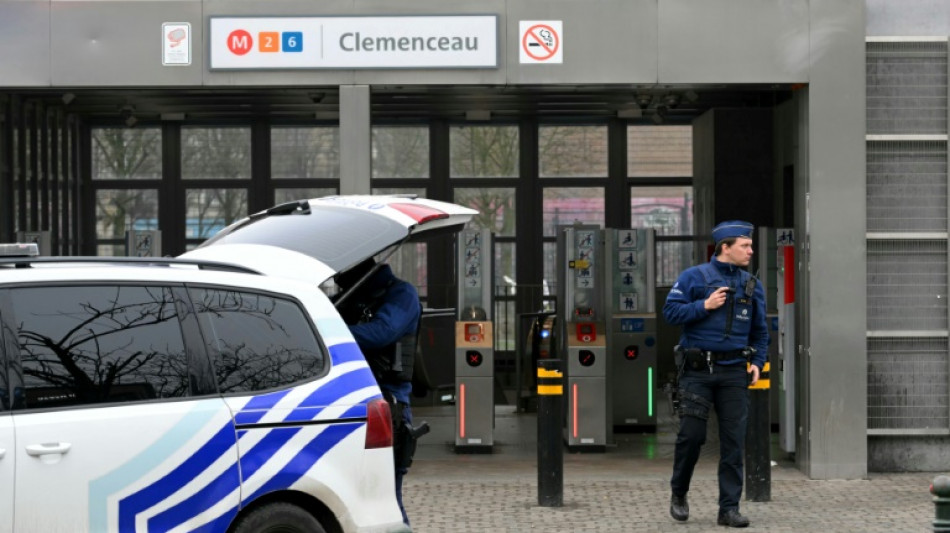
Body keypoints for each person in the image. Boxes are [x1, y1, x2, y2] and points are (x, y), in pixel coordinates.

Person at [663, 220, 769, 528]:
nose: (750, 250)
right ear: (725, 247)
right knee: (691, 437)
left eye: (750, 245)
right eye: (744, 245)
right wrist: (704, 305)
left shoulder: (752, 285)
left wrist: (757, 361)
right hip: (697, 372)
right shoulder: (694, 277)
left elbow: (761, 332)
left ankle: (729, 509)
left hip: (735, 372)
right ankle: (679, 493)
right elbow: (670, 313)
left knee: (734, 442)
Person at [335, 257, 422, 526]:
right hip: (348, 402)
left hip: (386, 404)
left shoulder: (400, 294)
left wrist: (328, 330)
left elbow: (383, 332)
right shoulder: (347, 296)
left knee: (386, 501)